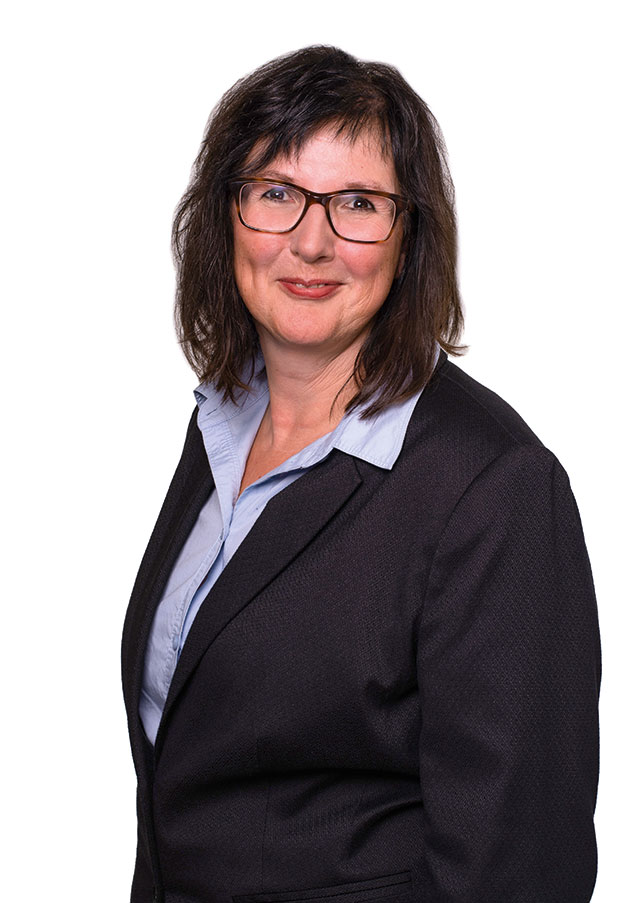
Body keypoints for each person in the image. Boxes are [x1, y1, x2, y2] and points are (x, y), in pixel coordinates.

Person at [121, 46, 601, 903]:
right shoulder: (223, 425)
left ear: (409, 235)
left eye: (357, 204)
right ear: (227, 214)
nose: (311, 242)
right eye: (277, 192)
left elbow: (518, 871)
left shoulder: (495, 488)